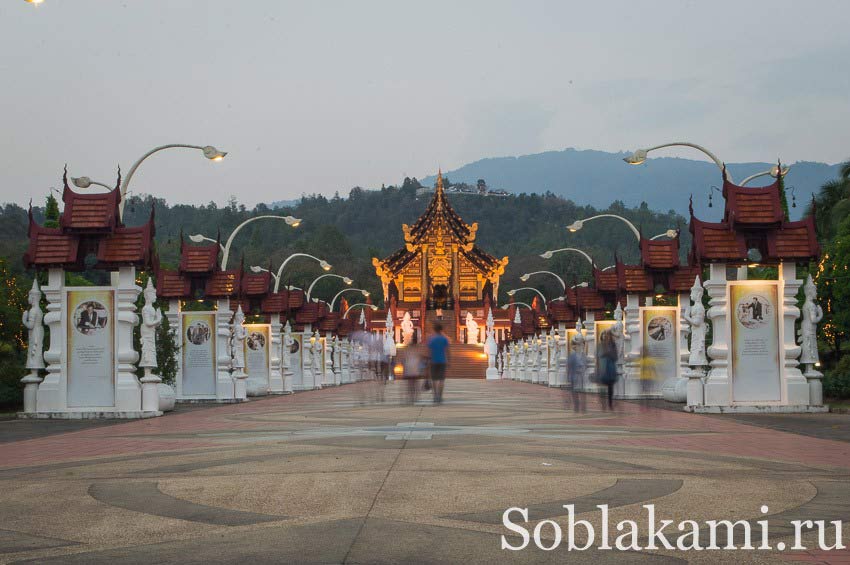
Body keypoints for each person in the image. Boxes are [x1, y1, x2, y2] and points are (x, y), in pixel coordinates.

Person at [427, 322, 450, 404]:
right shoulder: (444, 339)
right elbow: (447, 351)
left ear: (434, 329)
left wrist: (428, 360)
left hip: (433, 361)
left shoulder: (431, 339)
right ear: (441, 329)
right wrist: (449, 360)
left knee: (434, 380)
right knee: (441, 380)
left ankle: (435, 396)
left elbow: (429, 351)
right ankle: (440, 396)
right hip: (442, 361)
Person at [596, 329, 618, 410]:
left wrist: (610, 354)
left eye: (608, 335)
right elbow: (598, 356)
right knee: (602, 386)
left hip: (610, 367)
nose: (606, 336)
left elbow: (616, 357)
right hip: (602, 366)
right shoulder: (600, 345)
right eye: (604, 334)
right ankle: (603, 403)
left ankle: (610, 403)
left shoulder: (613, 345)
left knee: (610, 386)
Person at [567, 335, 586, 413]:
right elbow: (569, 365)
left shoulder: (583, 354)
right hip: (574, 376)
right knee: (575, 392)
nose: (578, 346)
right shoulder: (572, 355)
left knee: (581, 392)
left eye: (580, 344)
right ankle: (576, 405)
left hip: (581, 376)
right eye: (577, 344)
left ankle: (582, 406)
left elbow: (585, 364)